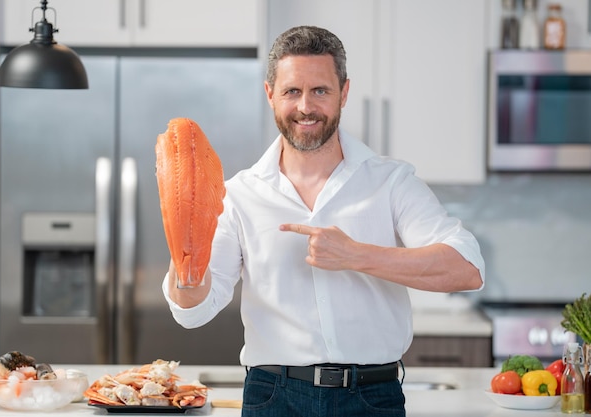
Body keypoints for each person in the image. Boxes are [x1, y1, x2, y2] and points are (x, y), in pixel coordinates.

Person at [162, 25, 485, 417]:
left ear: (344, 93)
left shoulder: (390, 181)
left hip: (372, 397)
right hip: (273, 397)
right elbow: (194, 312)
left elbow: (466, 269)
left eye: (320, 91)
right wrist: (186, 254)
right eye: (291, 92)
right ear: (270, 95)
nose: (305, 107)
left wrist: (356, 255)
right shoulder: (239, 195)